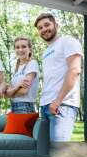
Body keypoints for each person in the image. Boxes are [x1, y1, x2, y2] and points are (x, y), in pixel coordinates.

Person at [34, 13, 83, 141]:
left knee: (58, 152)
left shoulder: (68, 41)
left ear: (56, 25)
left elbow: (74, 71)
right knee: (46, 152)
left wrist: (58, 101)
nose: (44, 29)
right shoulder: (45, 52)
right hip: (45, 105)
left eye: (46, 25)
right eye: (40, 28)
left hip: (62, 105)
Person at [5, 37, 39, 113]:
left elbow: (24, 91)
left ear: (30, 49)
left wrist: (11, 93)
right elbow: (7, 94)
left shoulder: (32, 63)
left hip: (25, 107)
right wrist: (17, 87)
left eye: (24, 46)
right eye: (17, 47)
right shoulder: (16, 68)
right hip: (14, 107)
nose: (20, 50)